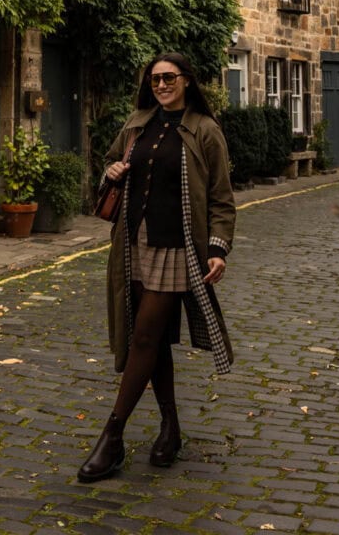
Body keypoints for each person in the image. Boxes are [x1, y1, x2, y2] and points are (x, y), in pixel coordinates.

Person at [77, 51, 236, 483]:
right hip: (134, 243)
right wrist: (111, 171)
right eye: (155, 79)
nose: (161, 85)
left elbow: (222, 198)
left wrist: (218, 249)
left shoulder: (204, 130)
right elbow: (110, 165)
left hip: (177, 248)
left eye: (168, 78)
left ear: (186, 80)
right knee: (155, 339)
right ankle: (170, 427)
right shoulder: (137, 123)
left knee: (143, 335)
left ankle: (113, 437)